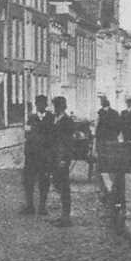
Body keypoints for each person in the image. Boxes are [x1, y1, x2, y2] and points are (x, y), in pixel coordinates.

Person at [20, 95, 54, 215]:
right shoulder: (31, 118)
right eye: (38, 104)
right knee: (28, 181)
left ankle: (42, 207)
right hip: (32, 156)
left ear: (46, 105)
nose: (40, 106)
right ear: (36, 105)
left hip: (45, 156)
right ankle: (30, 206)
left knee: (44, 181)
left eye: (42, 104)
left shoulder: (51, 118)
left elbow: (52, 136)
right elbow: (27, 134)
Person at [49, 96, 76, 227]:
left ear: (62, 107)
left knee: (64, 187)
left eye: (57, 106)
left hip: (62, 158)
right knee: (58, 184)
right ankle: (63, 215)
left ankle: (66, 217)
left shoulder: (67, 121)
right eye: (55, 106)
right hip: (55, 157)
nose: (55, 108)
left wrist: (64, 159)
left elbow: (68, 143)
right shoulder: (55, 119)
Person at [95, 97, 124, 207]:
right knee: (111, 165)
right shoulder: (115, 113)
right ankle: (110, 189)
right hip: (112, 142)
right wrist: (113, 137)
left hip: (103, 142)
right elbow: (119, 127)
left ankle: (106, 190)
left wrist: (98, 141)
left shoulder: (100, 113)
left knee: (102, 166)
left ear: (103, 103)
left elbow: (97, 129)